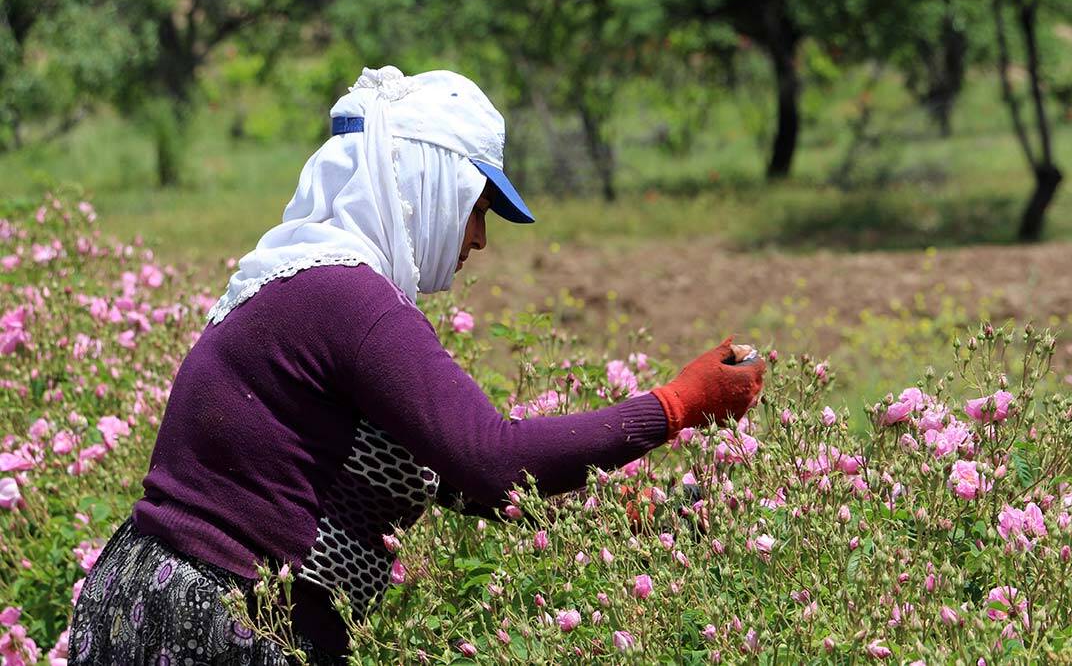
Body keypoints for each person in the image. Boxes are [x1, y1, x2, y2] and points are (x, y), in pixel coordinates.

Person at [68, 66, 765, 665]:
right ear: (425, 184)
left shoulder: (307, 280)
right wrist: (677, 404)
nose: (481, 240)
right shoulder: (346, 296)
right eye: (477, 209)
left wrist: (606, 507)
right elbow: (495, 459)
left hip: (170, 604)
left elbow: (460, 477)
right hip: (208, 625)